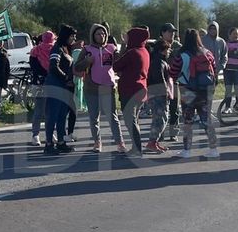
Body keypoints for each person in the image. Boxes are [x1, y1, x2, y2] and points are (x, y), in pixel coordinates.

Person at [169, 28, 220, 159]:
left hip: (187, 91)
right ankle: (213, 149)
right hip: (205, 91)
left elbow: (173, 72)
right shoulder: (207, 53)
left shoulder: (182, 55)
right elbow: (214, 70)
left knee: (188, 121)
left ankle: (186, 150)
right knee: (206, 119)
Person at [74, 23, 125, 152]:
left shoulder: (112, 48)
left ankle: (120, 143)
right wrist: (87, 61)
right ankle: (97, 142)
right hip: (91, 87)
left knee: (112, 117)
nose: (101, 36)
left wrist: (124, 44)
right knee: (94, 117)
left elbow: (120, 62)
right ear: (93, 35)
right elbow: (77, 67)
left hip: (108, 86)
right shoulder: (87, 49)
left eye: (103, 33)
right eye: (98, 34)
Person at [113, 26, 150, 157]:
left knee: (130, 120)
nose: (126, 39)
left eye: (128, 37)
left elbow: (116, 66)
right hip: (141, 89)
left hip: (130, 90)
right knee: (134, 119)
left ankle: (137, 149)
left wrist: (119, 51)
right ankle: (136, 147)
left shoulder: (132, 52)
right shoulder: (144, 51)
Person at [44, 25, 78, 154]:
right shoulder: (57, 48)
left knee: (62, 115)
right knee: (52, 115)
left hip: (64, 87)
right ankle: (48, 144)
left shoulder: (65, 49)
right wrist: (65, 78)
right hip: (55, 85)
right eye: (72, 36)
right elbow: (53, 67)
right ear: (66, 36)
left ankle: (61, 142)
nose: (74, 38)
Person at [145, 29, 174, 153]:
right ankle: (152, 142)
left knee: (160, 119)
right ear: (163, 50)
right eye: (168, 49)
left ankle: (154, 142)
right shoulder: (158, 62)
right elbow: (160, 79)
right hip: (158, 95)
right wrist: (165, 92)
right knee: (160, 119)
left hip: (155, 93)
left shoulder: (159, 61)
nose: (169, 52)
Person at [28, 30, 54, 146]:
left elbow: (33, 67)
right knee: (49, 111)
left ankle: (36, 135)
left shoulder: (35, 50)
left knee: (38, 110)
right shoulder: (55, 50)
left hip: (38, 83)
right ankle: (49, 133)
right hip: (52, 83)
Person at [221, 27, 238, 112]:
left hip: (237, 69)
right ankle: (227, 107)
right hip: (227, 69)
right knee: (228, 89)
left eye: (237, 34)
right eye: (234, 33)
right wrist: (233, 53)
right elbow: (223, 55)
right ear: (229, 34)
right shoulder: (225, 44)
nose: (236, 35)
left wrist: (230, 54)